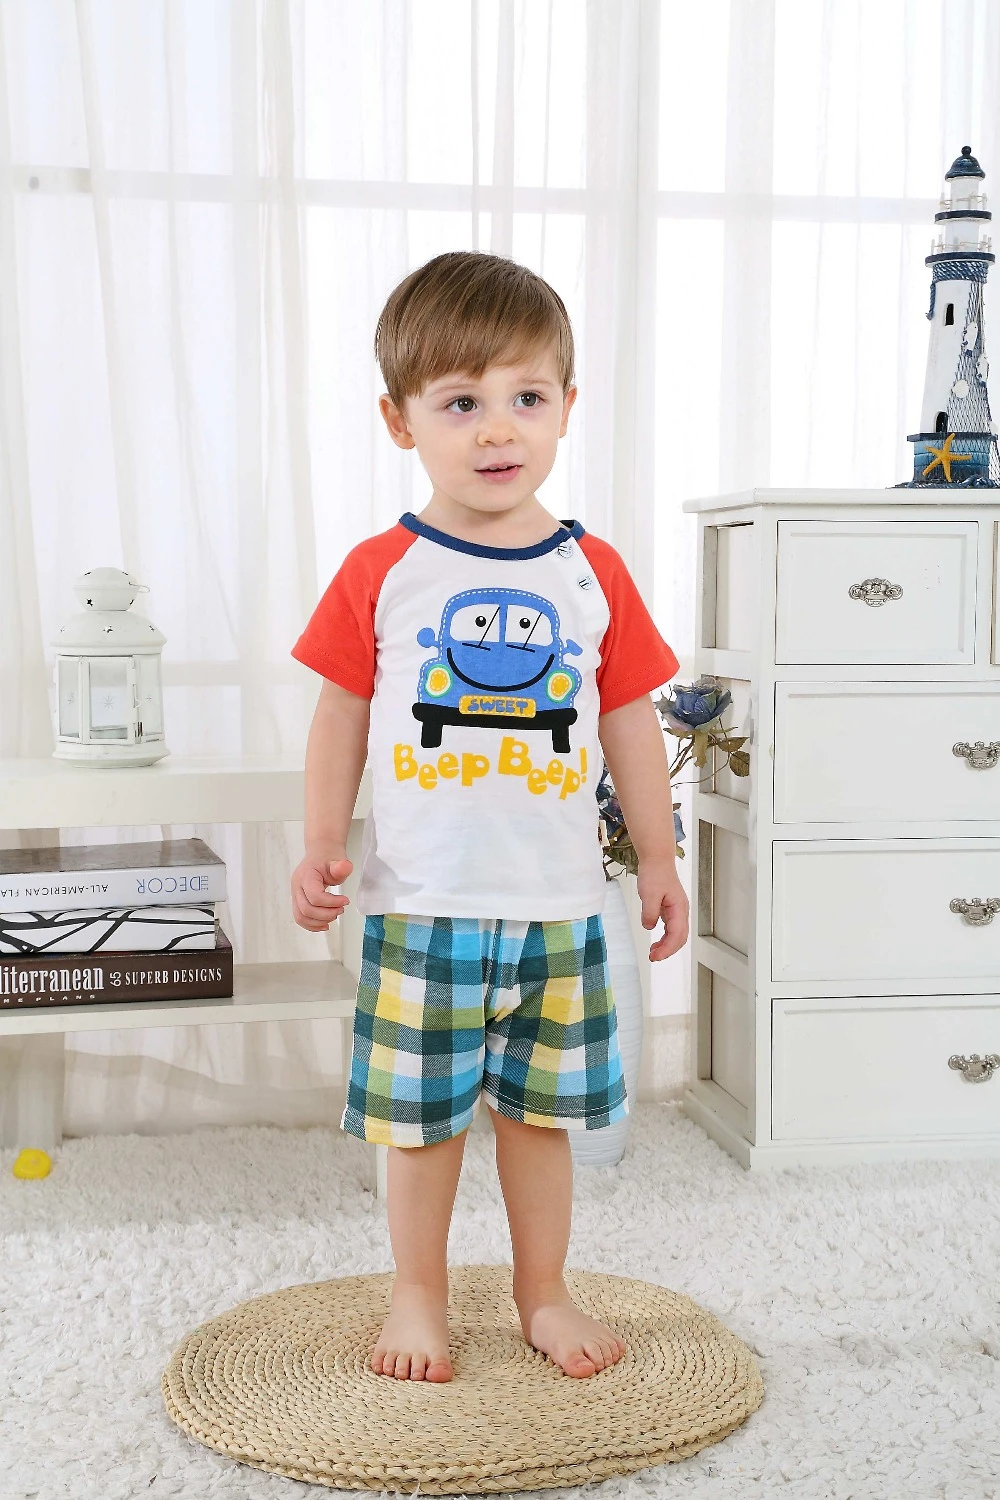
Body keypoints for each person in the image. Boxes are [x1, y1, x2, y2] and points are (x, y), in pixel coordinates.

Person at [290, 250, 688, 1385]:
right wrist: (319, 844)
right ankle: (417, 1293)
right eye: (460, 402)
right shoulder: (384, 569)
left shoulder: (591, 570)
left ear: (567, 405)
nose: (498, 429)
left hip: (558, 909)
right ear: (400, 420)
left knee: (537, 1119)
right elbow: (339, 720)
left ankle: (541, 1291)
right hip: (424, 909)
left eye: (526, 397)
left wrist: (658, 859)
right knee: (419, 1125)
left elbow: (627, 723)